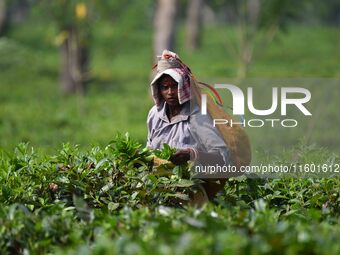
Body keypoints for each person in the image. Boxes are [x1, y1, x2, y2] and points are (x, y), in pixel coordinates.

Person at [147, 50, 234, 203]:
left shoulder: (198, 115)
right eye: (164, 87)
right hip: (159, 190)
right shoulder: (155, 114)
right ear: (158, 90)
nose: (170, 92)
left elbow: (222, 157)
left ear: (184, 86)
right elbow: (150, 149)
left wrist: (191, 154)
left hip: (192, 190)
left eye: (175, 86)